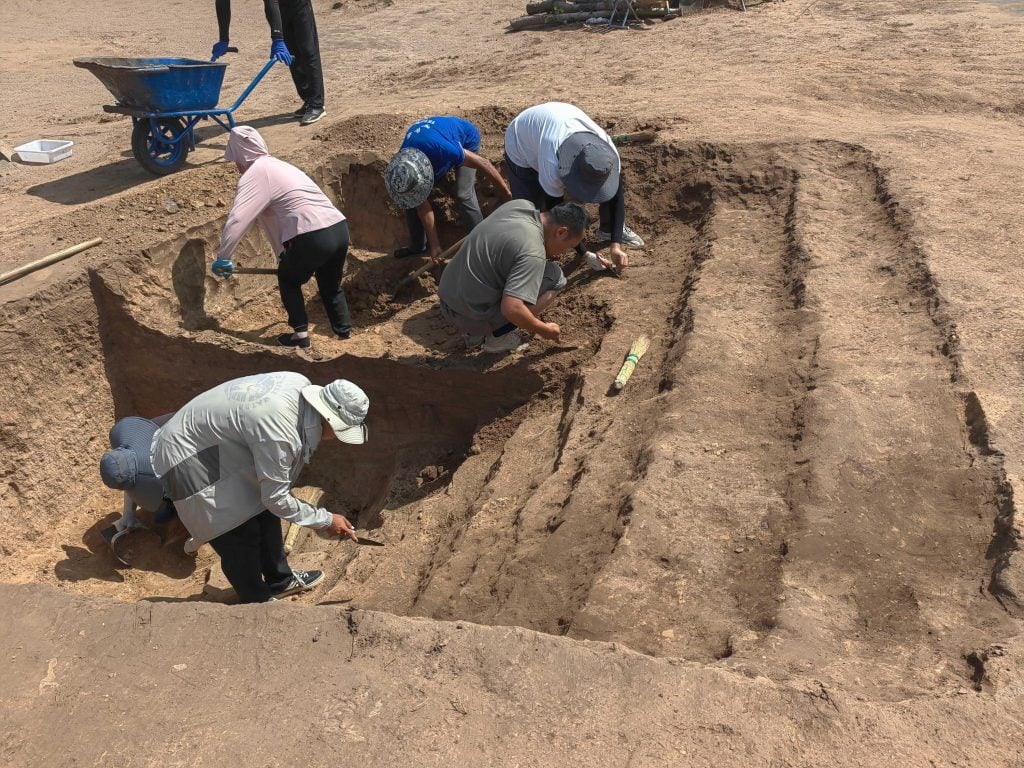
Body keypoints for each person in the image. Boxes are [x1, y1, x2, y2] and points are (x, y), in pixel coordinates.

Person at [151, 372, 370, 604]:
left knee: (263, 511)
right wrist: (326, 520)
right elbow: (276, 498)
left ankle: (280, 580)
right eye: (341, 429)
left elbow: (271, 498)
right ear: (328, 418)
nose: (337, 436)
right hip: (183, 453)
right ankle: (256, 601)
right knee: (236, 531)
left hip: (213, 440)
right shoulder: (280, 433)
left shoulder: (298, 385)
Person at [212, 126, 352, 348]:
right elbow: (283, 217)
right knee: (331, 285)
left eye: (235, 158)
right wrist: (284, 255)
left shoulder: (256, 173)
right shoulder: (281, 166)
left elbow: (239, 218)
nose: (235, 165)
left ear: (240, 154)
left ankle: (300, 336)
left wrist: (223, 255)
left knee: (288, 279)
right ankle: (344, 334)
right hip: (338, 228)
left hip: (312, 235)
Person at [503, 102, 644, 274]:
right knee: (531, 212)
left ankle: (607, 231)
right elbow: (557, 214)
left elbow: (616, 197)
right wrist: (585, 254)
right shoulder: (552, 165)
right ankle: (530, 258)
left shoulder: (609, 155)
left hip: (558, 120)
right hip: (521, 143)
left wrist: (615, 246)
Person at [437, 199, 588, 354]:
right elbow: (512, 309)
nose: (564, 252)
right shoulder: (532, 252)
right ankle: (498, 338)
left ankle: (473, 335)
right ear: (561, 232)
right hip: (468, 317)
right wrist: (543, 329)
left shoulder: (519, 205)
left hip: (447, 299)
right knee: (556, 277)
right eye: (568, 247)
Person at [384, 116, 513, 262]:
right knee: (410, 198)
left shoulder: (444, 149)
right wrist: (436, 246)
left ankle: (482, 246)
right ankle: (418, 246)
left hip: (465, 140)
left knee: (463, 193)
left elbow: (484, 163)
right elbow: (422, 207)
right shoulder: (402, 163)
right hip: (433, 143)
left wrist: (506, 193)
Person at [211, 0, 326, 125]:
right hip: (277, 9)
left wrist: (277, 38)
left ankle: (317, 104)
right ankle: (308, 100)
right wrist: (223, 38)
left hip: (298, 4)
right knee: (291, 53)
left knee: (307, 50)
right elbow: (222, 2)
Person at [98, 414, 177, 561]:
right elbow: (132, 473)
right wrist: (128, 514)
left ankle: (175, 505)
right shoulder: (138, 442)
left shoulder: (165, 454)